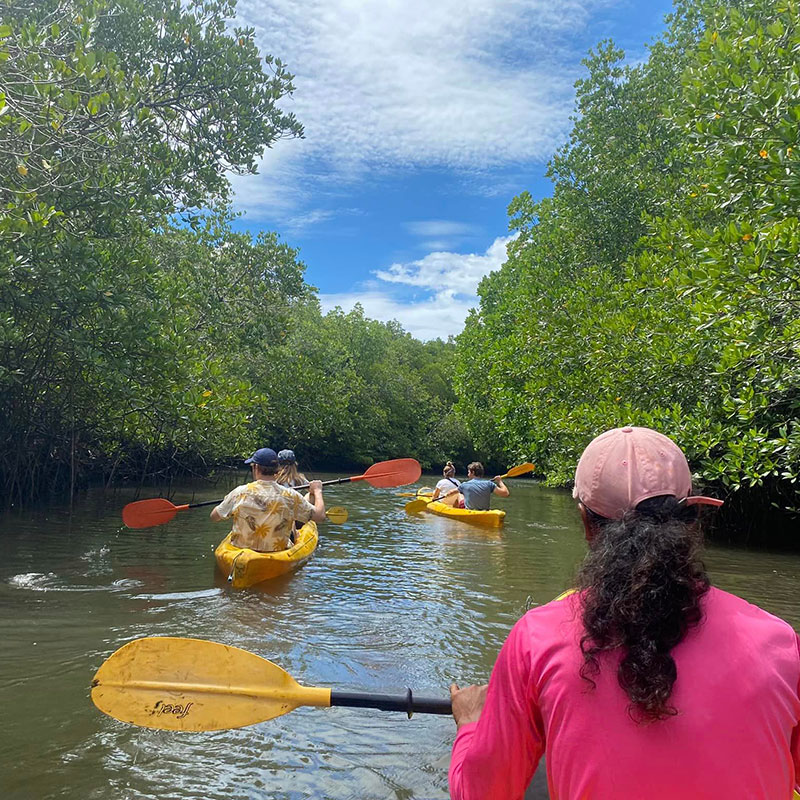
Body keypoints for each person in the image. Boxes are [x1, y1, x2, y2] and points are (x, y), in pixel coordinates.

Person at [448, 426, 800, 799]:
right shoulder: (779, 641)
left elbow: (481, 792)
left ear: (586, 525)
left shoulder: (535, 639)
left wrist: (471, 723)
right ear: (691, 521)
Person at [210, 447, 325, 552]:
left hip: (241, 551)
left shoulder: (240, 492)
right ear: (276, 469)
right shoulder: (291, 495)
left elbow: (214, 517)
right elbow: (320, 517)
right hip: (277, 552)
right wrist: (317, 491)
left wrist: (227, 506)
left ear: (255, 467)